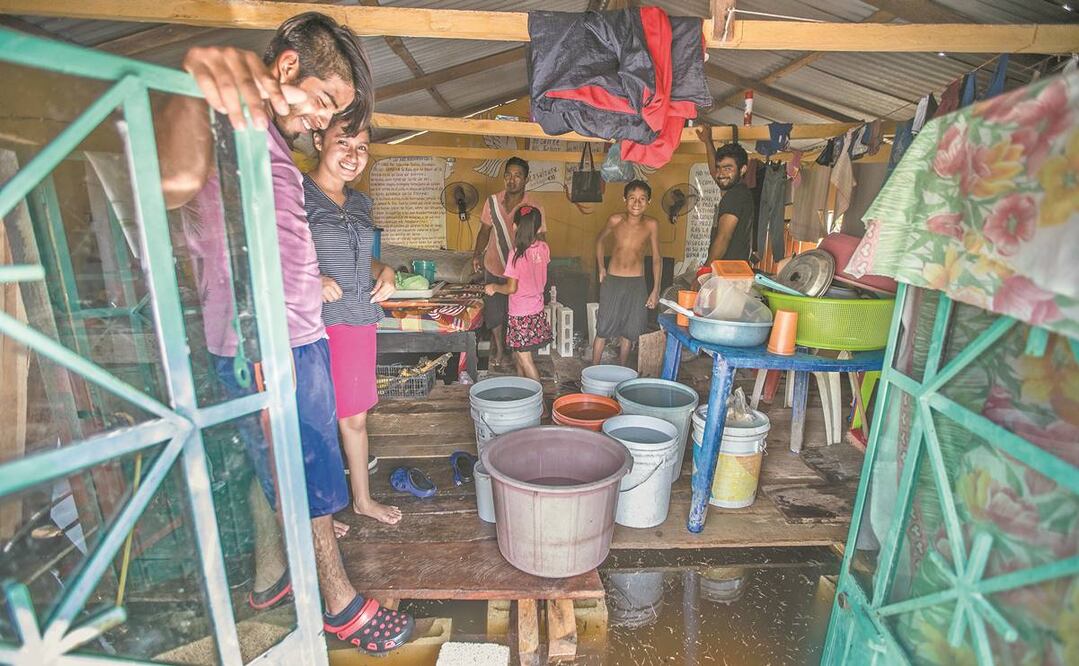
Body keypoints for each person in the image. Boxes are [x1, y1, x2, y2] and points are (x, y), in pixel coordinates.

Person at [158, 12, 413, 655]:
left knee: (281, 468)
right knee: (308, 479)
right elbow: (170, 184)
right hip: (265, 341)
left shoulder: (268, 142)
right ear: (289, 68)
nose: (325, 123)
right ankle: (339, 606)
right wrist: (194, 81)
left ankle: (272, 580)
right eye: (324, 104)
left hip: (299, 336)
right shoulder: (220, 116)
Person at [305, 119, 402, 526]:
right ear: (317, 140)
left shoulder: (361, 202)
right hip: (313, 323)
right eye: (342, 143)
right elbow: (268, 255)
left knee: (355, 418)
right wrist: (311, 279)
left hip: (360, 317)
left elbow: (363, 259)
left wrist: (387, 271)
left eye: (361, 147)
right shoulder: (295, 194)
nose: (352, 155)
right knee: (314, 418)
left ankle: (361, 499)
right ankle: (319, 513)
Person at [471, 157, 545, 371]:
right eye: (508, 175)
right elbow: (484, 231)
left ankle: (517, 352)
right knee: (495, 312)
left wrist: (537, 266)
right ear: (504, 177)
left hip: (520, 271)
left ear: (526, 179)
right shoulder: (492, 202)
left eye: (518, 176)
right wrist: (477, 254)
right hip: (494, 264)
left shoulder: (534, 206)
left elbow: (542, 238)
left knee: (518, 313)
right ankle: (500, 349)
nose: (512, 180)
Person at [592, 180, 661, 367]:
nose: (636, 203)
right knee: (603, 328)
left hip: (636, 283)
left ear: (649, 202)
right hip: (613, 280)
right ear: (624, 199)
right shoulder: (615, 220)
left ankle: (622, 370)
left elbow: (656, 258)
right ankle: (592, 371)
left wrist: (655, 289)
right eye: (632, 198)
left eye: (642, 199)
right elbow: (599, 240)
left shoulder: (651, 224)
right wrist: (601, 267)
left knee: (630, 331)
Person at [484, 206, 551, 385]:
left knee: (526, 361)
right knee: (521, 357)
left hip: (520, 315)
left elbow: (511, 288)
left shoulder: (516, 255)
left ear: (514, 227)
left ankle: (540, 404)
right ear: (538, 229)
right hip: (536, 311)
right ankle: (524, 392)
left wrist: (494, 287)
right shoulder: (544, 248)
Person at [697, 124, 755, 264]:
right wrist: (708, 142)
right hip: (731, 272)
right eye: (719, 168)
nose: (721, 173)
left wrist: (706, 270)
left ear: (742, 169)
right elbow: (715, 174)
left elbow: (723, 238)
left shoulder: (735, 196)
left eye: (728, 168)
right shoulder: (738, 191)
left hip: (727, 275)